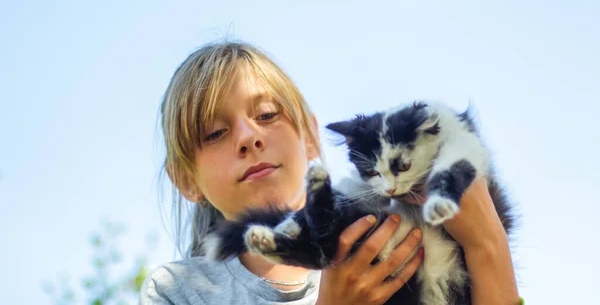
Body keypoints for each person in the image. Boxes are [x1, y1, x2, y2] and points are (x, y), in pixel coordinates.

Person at [140, 40, 521, 305]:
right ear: (186, 180)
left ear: (308, 137)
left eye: (267, 115)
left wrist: (486, 244)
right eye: (215, 133)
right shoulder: (179, 291)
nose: (248, 137)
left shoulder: (394, 226)